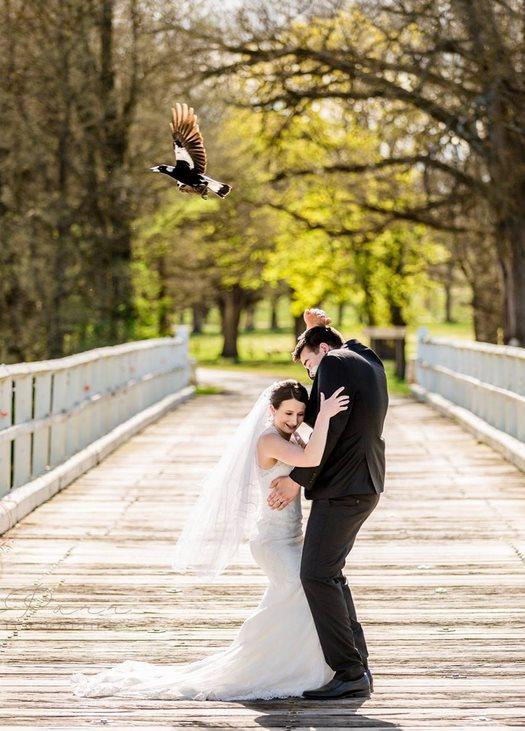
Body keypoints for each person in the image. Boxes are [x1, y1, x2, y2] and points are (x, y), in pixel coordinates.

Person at [70, 379, 350, 700]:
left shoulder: (292, 436)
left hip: (291, 538)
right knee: (303, 592)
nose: (294, 419)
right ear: (271, 410)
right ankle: (273, 665)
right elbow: (312, 459)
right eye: (288, 412)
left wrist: (300, 465)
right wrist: (325, 416)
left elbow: (313, 458)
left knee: (297, 599)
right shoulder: (269, 440)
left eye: (301, 414)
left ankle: (300, 666)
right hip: (273, 542)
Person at [268, 308, 388, 700]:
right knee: (330, 574)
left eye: (308, 365)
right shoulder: (367, 358)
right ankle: (358, 665)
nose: (310, 376)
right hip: (365, 483)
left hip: (342, 487)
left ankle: (350, 671)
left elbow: (331, 427)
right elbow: (331, 357)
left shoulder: (333, 362)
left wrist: (295, 479)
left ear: (322, 350)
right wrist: (314, 331)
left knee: (317, 575)